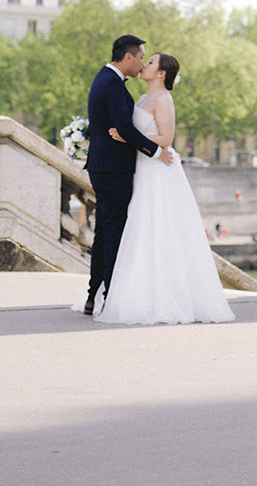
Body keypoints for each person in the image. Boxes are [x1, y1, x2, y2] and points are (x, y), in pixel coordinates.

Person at [100, 51, 235, 325]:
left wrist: (128, 138)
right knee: (141, 226)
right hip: (144, 166)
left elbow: (166, 137)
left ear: (161, 73)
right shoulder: (143, 98)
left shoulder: (163, 99)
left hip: (159, 169)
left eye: (150, 62)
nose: (144, 64)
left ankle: (164, 296)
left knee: (158, 225)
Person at [79, 34, 174, 317]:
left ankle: (94, 294)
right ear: (129, 57)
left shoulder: (108, 81)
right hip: (113, 169)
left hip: (109, 167)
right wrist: (157, 152)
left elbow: (125, 130)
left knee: (105, 234)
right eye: (142, 57)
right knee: (114, 232)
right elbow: (125, 129)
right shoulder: (111, 83)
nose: (143, 62)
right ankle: (110, 295)